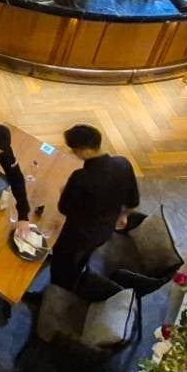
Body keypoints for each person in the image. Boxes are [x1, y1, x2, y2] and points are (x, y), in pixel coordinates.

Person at [49, 123, 141, 289]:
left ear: (85, 151)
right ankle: (75, 275)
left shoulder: (81, 178)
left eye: (74, 150)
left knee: (61, 264)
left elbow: (63, 208)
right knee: (80, 258)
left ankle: (57, 291)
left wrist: (65, 191)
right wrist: (123, 216)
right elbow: (133, 201)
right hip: (104, 231)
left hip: (77, 235)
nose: (73, 153)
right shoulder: (123, 163)